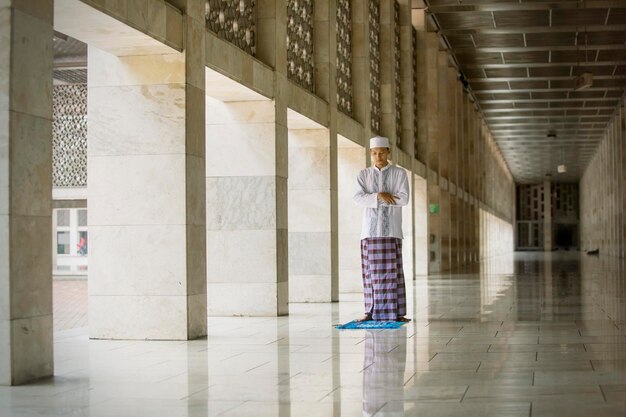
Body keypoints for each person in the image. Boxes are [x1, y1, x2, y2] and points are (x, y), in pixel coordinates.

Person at [353, 136, 410, 322]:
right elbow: (357, 198)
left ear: (388, 152)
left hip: (391, 231)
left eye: (382, 153)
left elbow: (404, 199)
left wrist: (385, 198)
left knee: (392, 272)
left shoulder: (399, 174)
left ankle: (396, 312)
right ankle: (370, 311)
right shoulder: (363, 175)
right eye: (375, 153)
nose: (378, 156)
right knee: (371, 274)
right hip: (370, 231)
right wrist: (379, 196)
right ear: (371, 154)